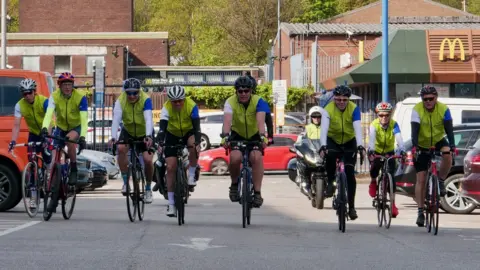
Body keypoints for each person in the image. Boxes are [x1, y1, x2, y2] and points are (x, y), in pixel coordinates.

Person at [220, 76, 273, 208]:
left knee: (256, 157)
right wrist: (225, 136)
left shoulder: (259, 101)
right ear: (236, 91)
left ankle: (257, 192)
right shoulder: (230, 102)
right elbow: (227, 121)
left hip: (255, 135)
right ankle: (234, 184)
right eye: (240, 91)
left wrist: (263, 136)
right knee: (235, 157)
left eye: (246, 91)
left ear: (251, 91)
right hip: (238, 134)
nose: (243, 94)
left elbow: (261, 121)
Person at [41, 72, 87, 212]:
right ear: (59, 86)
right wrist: (44, 127)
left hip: (75, 126)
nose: (67, 87)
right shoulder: (54, 96)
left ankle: (73, 167)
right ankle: (54, 192)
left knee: (69, 141)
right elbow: (49, 114)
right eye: (64, 85)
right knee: (54, 158)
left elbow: (84, 119)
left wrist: (83, 136)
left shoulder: (80, 97)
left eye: (70, 84)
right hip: (61, 127)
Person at [411, 85, 456, 227]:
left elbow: (449, 130)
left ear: (436, 98)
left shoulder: (444, 109)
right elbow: (414, 131)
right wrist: (415, 147)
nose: (428, 102)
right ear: (422, 100)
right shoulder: (416, 110)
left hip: (437, 140)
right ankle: (420, 211)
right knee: (421, 179)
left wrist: (453, 146)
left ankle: (441, 181)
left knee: (447, 153)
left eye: (431, 99)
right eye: (425, 99)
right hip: (422, 143)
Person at [319, 85, 365, 220]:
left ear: (348, 100)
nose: (341, 102)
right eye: (338, 99)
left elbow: (357, 128)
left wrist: (361, 145)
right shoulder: (327, 109)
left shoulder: (354, 109)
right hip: (333, 139)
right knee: (330, 157)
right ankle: (331, 183)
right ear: (334, 99)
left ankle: (351, 207)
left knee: (350, 175)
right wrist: (323, 146)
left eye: (344, 100)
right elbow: (324, 130)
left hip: (349, 141)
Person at [156, 85, 201, 217]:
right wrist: (161, 141)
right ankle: (171, 204)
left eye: (180, 100)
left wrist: (197, 142)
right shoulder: (166, 107)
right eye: (174, 101)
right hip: (172, 134)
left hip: (188, 132)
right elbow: (162, 128)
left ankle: (191, 175)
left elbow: (197, 128)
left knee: (193, 144)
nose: (177, 103)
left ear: (184, 99)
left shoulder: (191, 105)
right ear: (170, 101)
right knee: (170, 167)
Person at [8, 79, 53, 208]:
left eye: (29, 92)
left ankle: (49, 175)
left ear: (34, 91)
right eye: (24, 93)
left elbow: (49, 119)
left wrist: (47, 137)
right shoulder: (19, 105)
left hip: (47, 130)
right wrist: (13, 141)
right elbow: (16, 125)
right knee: (32, 163)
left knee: (46, 156)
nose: (27, 96)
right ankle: (33, 197)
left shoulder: (43, 101)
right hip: (33, 132)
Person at [110, 78, 155, 203]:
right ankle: (125, 182)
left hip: (144, 132)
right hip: (128, 131)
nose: (132, 96)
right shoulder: (121, 100)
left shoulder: (146, 99)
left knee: (147, 160)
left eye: (135, 93)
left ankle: (147, 188)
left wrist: (148, 135)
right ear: (125, 92)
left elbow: (148, 119)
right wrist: (113, 136)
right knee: (120, 148)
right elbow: (116, 119)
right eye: (129, 93)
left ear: (139, 91)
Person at [367, 102, 405, 218]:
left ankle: (393, 204)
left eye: (387, 115)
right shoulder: (374, 124)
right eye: (381, 115)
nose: (384, 118)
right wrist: (372, 150)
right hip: (377, 151)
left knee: (391, 179)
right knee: (374, 169)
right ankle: (373, 181)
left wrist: (402, 150)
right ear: (377, 115)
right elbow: (372, 138)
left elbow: (399, 138)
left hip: (389, 152)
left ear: (390, 115)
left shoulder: (394, 124)